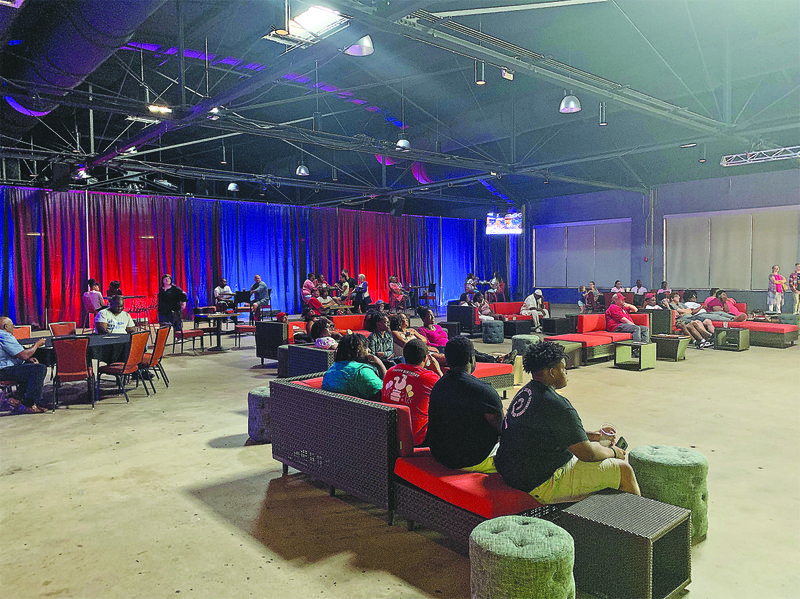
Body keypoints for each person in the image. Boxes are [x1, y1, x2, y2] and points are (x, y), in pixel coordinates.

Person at [494, 342, 640, 504]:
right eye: (563, 369)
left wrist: (592, 436)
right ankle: (637, 524)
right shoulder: (558, 405)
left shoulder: (526, 392)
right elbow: (587, 454)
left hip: (511, 472)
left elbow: (549, 431)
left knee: (598, 454)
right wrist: (614, 452)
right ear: (552, 372)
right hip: (539, 483)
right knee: (623, 469)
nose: (566, 373)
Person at [425, 337, 504, 472]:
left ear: (447, 360)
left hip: (440, 455)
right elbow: (501, 428)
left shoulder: (438, 385)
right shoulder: (483, 390)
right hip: (471, 460)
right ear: (471, 358)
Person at [382, 338, 443, 446]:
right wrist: (438, 370)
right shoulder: (429, 377)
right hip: (416, 439)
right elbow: (449, 391)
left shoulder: (390, 372)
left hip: (389, 435)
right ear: (425, 359)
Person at [416, 307, 516, 365]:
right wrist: (439, 347)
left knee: (473, 350)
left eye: (433, 315)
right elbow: (427, 343)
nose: (432, 317)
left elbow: (446, 337)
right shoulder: (422, 330)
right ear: (424, 318)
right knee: (468, 353)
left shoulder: (438, 327)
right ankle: (497, 360)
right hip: (441, 349)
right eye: (429, 315)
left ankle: (498, 358)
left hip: (450, 345)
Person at [0, 316, 48, 414]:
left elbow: (17, 354)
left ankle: (18, 398)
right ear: (5, 326)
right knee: (39, 369)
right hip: (3, 371)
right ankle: (29, 404)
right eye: (12, 325)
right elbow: (23, 355)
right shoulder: (4, 336)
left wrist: (28, 360)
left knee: (30, 368)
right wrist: (37, 345)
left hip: (5, 369)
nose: (13, 327)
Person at [321, 333, 386, 401]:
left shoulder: (333, 367)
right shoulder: (361, 371)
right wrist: (380, 365)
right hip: (362, 410)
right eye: (366, 347)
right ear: (358, 349)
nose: (369, 350)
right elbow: (384, 395)